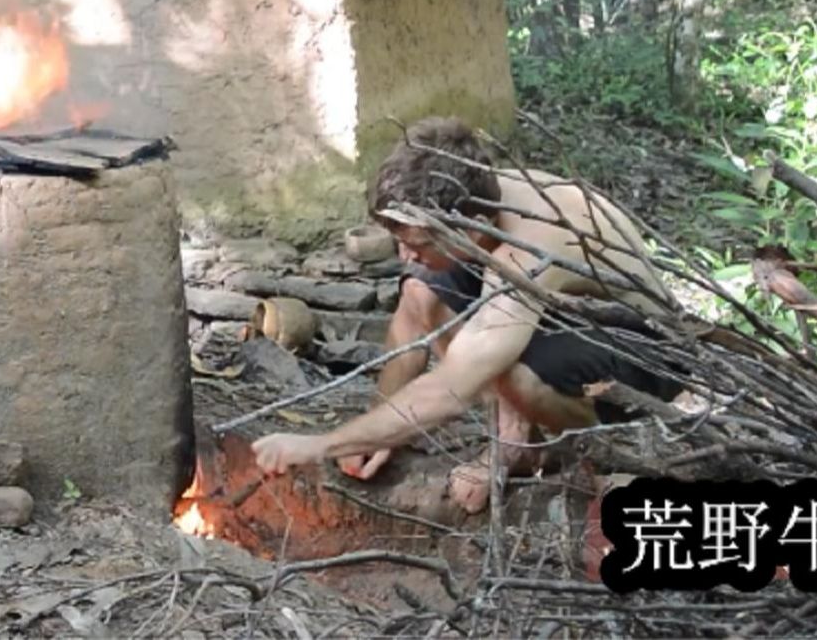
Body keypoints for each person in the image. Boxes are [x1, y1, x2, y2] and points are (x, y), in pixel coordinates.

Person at [251, 116, 686, 513]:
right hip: (567, 310)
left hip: (645, 347)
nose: (405, 254)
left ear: (474, 229)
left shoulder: (527, 255)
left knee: (509, 373)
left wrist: (320, 445)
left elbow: (451, 389)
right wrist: (369, 436)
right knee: (422, 290)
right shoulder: (474, 191)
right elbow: (411, 320)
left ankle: (596, 451)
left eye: (418, 244)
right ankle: (519, 429)